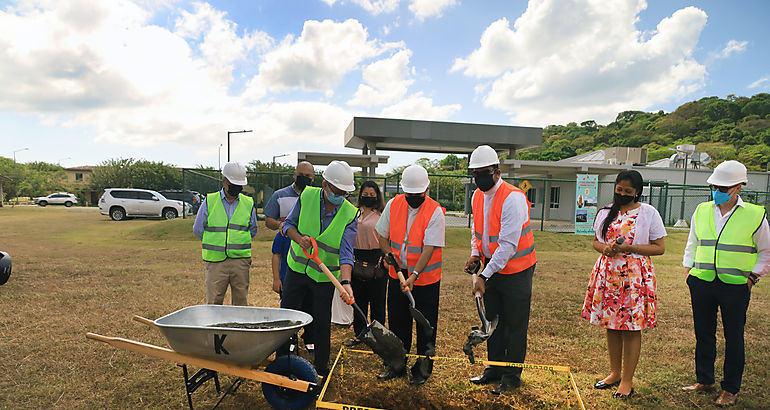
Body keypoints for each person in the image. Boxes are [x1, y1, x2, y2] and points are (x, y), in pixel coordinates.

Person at [681, 160, 768, 406]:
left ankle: (730, 388)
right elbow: (693, 243)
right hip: (702, 282)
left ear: (738, 187)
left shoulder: (754, 215)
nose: (717, 191)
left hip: (736, 285)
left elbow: (766, 252)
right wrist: (689, 271)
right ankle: (705, 379)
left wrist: (752, 278)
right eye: (715, 186)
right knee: (704, 333)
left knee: (734, 336)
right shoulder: (702, 210)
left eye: (724, 187)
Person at [581, 170, 666, 400]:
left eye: (628, 191)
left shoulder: (648, 213)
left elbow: (660, 247)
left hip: (635, 277)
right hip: (608, 274)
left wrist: (630, 248)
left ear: (637, 192)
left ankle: (627, 380)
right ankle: (615, 373)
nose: (622, 194)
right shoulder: (606, 212)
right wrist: (605, 248)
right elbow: (596, 243)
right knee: (612, 324)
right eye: (619, 190)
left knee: (631, 327)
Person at [465, 145, 536, 395]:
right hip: (492, 268)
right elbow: (477, 231)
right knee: (492, 321)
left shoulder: (512, 198)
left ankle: (511, 377)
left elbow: (508, 245)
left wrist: (483, 275)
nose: (479, 178)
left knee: (514, 325)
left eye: (483, 173)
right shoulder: (477, 196)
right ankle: (493, 370)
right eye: (475, 174)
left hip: (517, 270)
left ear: (497, 171)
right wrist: (476, 254)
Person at [280, 160, 359, 378]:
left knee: (322, 323)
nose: (340, 197)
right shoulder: (307, 197)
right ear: (325, 186)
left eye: (345, 193)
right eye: (337, 191)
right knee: (287, 319)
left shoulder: (350, 214)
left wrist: (346, 283)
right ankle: (282, 364)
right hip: (296, 270)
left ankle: (321, 370)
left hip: (324, 278)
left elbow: (346, 253)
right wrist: (299, 239)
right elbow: (287, 226)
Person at [376, 164, 445, 386]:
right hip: (397, 273)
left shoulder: (435, 211)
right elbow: (382, 235)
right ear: (403, 191)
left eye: (418, 194)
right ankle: (396, 365)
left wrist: (414, 275)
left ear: (426, 190)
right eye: (409, 194)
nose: (413, 198)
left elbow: (429, 248)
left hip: (425, 279)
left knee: (425, 325)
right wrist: (390, 258)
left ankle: (423, 370)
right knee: (397, 321)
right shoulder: (394, 204)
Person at [264, 161, 316, 352]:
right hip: (288, 258)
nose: (305, 179)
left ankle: (310, 337)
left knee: (310, 303)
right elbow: (268, 220)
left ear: (313, 178)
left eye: (309, 176)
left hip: (310, 260)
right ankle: (290, 339)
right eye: (301, 175)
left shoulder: (316, 197)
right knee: (289, 305)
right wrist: (283, 226)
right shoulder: (280, 195)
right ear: (294, 175)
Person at [193, 162, 258, 305]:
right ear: (224, 180)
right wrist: (216, 242)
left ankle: (238, 327)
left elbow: (253, 229)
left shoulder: (248, 203)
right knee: (214, 302)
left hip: (240, 262)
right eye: (233, 183)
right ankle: (215, 328)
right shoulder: (210, 201)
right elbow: (198, 229)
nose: (237, 187)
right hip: (216, 262)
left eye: (239, 184)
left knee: (241, 303)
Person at [344, 180, 387, 347]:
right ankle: (360, 334)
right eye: (365, 194)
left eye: (372, 195)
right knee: (359, 300)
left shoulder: (382, 214)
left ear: (377, 196)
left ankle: (378, 336)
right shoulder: (355, 213)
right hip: (357, 257)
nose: (368, 197)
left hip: (376, 259)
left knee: (377, 301)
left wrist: (384, 258)